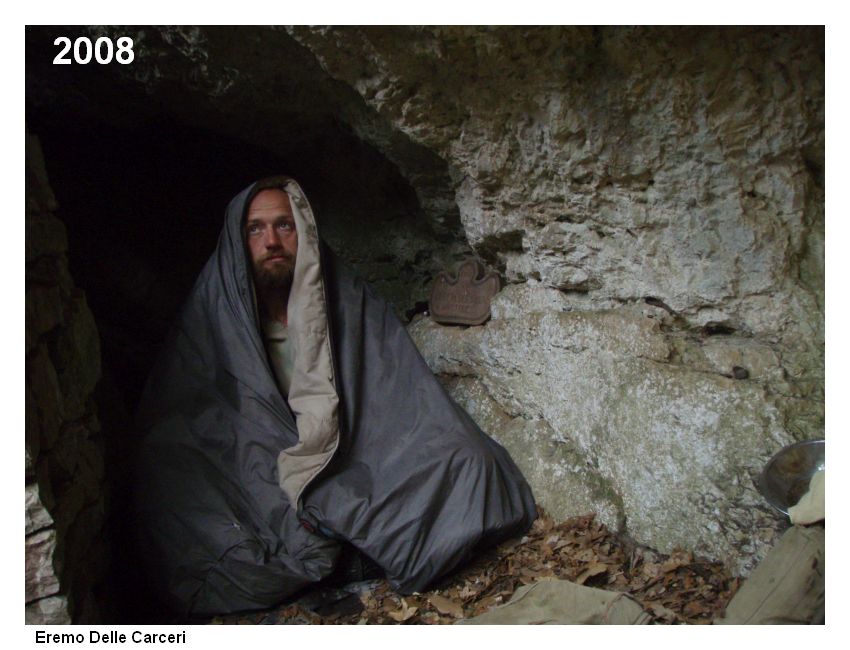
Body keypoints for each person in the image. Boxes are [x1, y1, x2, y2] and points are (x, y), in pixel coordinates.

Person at [134, 176, 536, 618]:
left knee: (469, 461)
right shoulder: (211, 313)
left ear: (303, 231)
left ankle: (351, 548)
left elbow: (394, 387)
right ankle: (348, 550)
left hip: (352, 451)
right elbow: (190, 423)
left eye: (284, 226)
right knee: (202, 529)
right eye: (256, 229)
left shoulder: (344, 296)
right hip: (260, 467)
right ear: (237, 239)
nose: (271, 241)